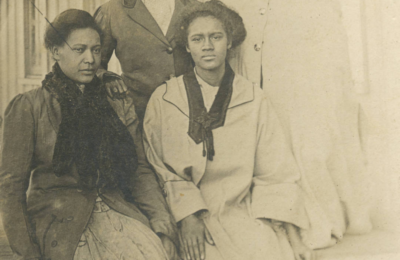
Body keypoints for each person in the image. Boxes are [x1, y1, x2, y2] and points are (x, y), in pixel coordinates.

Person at [0, 9, 178, 260]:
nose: (90, 59)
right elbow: (11, 187)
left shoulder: (115, 101)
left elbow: (139, 168)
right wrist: (27, 253)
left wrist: (161, 225)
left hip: (117, 212)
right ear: (55, 51)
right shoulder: (29, 107)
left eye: (96, 50)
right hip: (58, 222)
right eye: (79, 49)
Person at [143, 1, 315, 259]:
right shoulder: (165, 98)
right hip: (184, 211)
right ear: (187, 46)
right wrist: (188, 215)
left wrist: (293, 238)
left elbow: (274, 172)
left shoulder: (254, 99)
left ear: (230, 42)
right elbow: (159, 168)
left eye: (216, 37)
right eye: (198, 39)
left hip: (239, 210)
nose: (208, 46)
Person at [221, 0, 372, 245]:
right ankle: (271, 211)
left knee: (305, 138)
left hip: (297, 62)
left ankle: (315, 216)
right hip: (253, 52)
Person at [94, 0, 197, 120]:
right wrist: (106, 77)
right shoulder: (111, 11)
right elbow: (93, 64)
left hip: (189, 113)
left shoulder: (193, 6)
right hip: (139, 115)